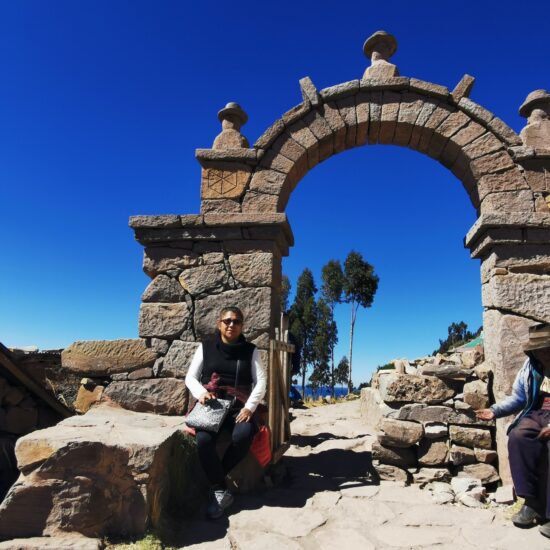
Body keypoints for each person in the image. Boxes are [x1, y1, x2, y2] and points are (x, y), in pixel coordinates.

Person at [185, 306, 267, 519]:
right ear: (219, 323)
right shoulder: (206, 347)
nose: (232, 325)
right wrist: (201, 393)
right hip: (211, 405)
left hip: (239, 407)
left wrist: (250, 407)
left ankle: (216, 484)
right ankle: (220, 489)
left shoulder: (251, 351)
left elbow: (261, 382)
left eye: (237, 321)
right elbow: (191, 377)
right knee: (203, 440)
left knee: (243, 435)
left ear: (242, 325)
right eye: (227, 321)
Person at [476, 323, 550, 538]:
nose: (543, 354)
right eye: (540, 350)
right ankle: (531, 503)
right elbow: (519, 398)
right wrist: (494, 411)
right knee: (518, 437)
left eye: (547, 348)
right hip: (537, 412)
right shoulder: (531, 366)